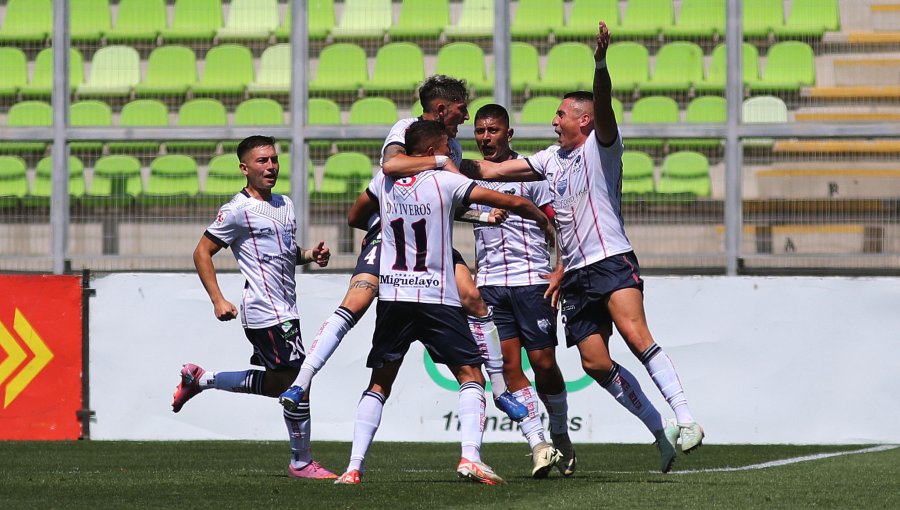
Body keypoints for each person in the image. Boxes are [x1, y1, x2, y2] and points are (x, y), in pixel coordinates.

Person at [456, 22, 706, 473]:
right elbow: (491, 172)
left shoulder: (601, 147)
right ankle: (660, 433)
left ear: (583, 120)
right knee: (594, 362)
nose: (553, 121)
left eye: (560, 115)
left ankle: (686, 418)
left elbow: (605, 103)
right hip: (574, 275)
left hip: (609, 259)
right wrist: (439, 158)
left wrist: (600, 64)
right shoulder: (550, 159)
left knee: (635, 336)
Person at [280, 75, 527, 423]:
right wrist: (439, 165)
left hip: (429, 242)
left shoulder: (451, 148)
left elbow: (452, 199)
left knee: (472, 296)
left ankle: (500, 391)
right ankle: (301, 383)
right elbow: (391, 166)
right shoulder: (406, 130)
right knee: (357, 301)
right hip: (391, 237)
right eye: (460, 110)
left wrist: (485, 216)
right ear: (441, 110)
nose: (466, 118)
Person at [333, 120, 553, 485]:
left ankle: (353, 467)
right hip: (436, 297)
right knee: (471, 375)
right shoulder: (447, 181)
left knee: (379, 383)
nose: (453, 150)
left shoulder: (383, 183)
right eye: (447, 144)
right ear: (433, 148)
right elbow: (510, 200)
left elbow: (355, 216)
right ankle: (470, 458)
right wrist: (541, 220)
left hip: (394, 295)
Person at [171, 135, 337, 479]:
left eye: (274, 159)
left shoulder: (285, 204)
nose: (271, 166)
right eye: (262, 161)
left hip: (286, 308)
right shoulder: (237, 210)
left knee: (281, 385)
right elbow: (202, 252)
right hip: (265, 311)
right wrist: (218, 299)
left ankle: (201, 380)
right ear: (245, 168)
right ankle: (301, 461)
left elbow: (284, 253)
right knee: (298, 382)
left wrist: (310, 256)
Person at [467, 103, 578, 478]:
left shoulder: (531, 174)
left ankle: (560, 430)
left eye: (493, 131)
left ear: (508, 134)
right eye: (480, 131)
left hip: (532, 280)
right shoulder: (469, 178)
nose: (485, 138)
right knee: (511, 368)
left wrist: (560, 269)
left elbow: (559, 223)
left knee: (544, 363)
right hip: (491, 285)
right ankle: (540, 446)